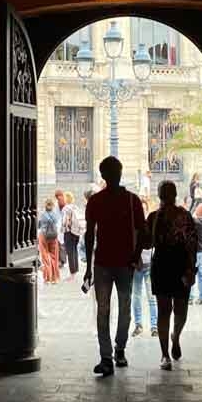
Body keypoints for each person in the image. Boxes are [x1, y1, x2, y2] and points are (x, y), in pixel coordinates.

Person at [83, 156, 145, 377]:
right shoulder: (132, 200)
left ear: (103, 176)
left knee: (103, 310)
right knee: (124, 308)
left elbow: (90, 235)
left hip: (103, 263)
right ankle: (118, 350)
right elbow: (143, 231)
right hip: (122, 263)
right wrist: (135, 256)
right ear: (119, 173)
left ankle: (107, 356)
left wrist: (88, 267)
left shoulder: (96, 201)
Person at [143, 180, 198, 371]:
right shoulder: (154, 217)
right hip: (166, 266)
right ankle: (165, 353)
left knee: (177, 309)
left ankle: (175, 337)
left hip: (176, 266)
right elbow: (148, 244)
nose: (166, 197)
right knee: (168, 309)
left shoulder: (184, 216)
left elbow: (192, 243)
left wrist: (191, 268)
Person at [131, 197, 158, 338]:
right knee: (136, 296)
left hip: (150, 265)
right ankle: (138, 325)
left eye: (144, 208)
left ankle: (154, 326)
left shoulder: (151, 223)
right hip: (137, 266)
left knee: (151, 296)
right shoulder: (133, 226)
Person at [37, 198, 60, 284]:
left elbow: (39, 225)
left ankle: (47, 278)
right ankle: (54, 278)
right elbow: (57, 222)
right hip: (53, 236)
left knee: (45, 257)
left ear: (45, 205)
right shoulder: (55, 214)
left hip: (43, 236)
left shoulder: (42, 214)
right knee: (54, 257)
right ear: (53, 205)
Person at [61, 190, 80, 280]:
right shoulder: (75, 207)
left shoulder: (66, 208)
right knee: (75, 250)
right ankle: (75, 270)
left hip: (69, 232)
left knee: (70, 252)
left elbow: (65, 221)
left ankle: (72, 274)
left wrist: (62, 228)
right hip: (76, 232)